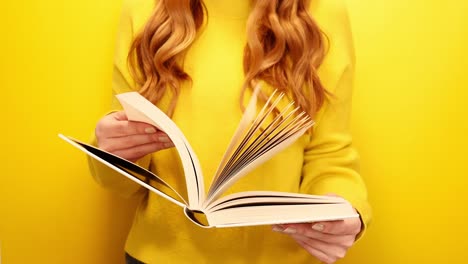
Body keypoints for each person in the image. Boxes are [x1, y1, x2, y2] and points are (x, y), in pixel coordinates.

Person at [89, 0, 372, 263]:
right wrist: (113, 151)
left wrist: (343, 210)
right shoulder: (144, 10)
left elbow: (330, 156)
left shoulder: (322, 13)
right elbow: (122, 181)